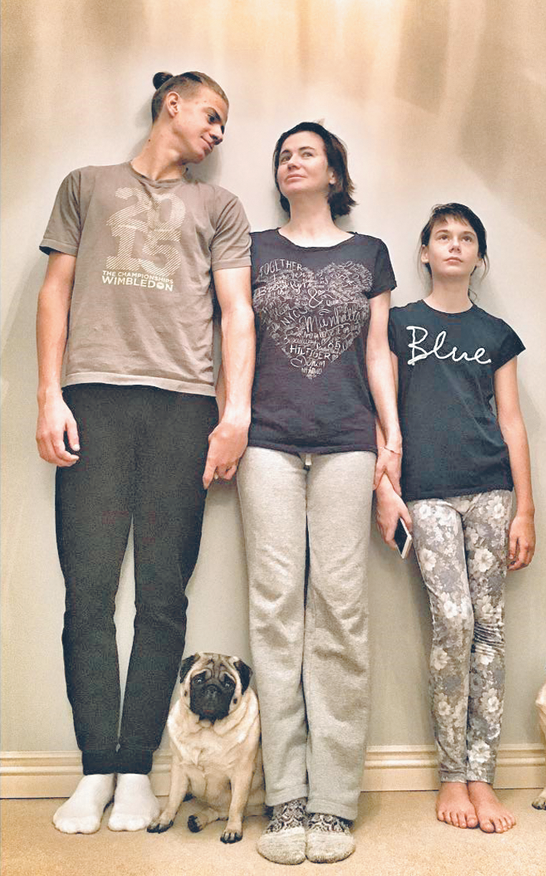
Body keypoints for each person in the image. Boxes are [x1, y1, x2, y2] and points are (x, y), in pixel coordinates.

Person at [35, 71, 254, 834]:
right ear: (173, 103)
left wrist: (234, 414)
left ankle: (136, 770)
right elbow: (55, 291)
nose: (219, 132)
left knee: (163, 596)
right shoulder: (86, 185)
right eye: (212, 115)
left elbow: (237, 313)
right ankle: (96, 768)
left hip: (184, 406)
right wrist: (49, 396)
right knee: (87, 594)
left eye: (225, 124)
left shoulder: (220, 206)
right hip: (93, 396)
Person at [235, 121, 401, 864]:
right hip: (266, 441)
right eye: (284, 155)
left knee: (340, 609)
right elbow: (235, 341)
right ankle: (286, 796)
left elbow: (378, 353)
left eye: (307, 153)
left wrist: (391, 440)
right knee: (275, 610)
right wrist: (230, 420)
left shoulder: (370, 254)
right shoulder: (251, 249)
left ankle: (333, 800)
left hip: (347, 442)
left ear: (335, 172)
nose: (292, 162)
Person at [376, 203, 535, 834]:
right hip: (427, 492)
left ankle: (481, 776)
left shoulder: (496, 333)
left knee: (490, 629)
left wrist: (526, 509)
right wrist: (385, 484)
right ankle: (450, 772)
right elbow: (383, 410)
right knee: (454, 619)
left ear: (479, 257)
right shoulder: (399, 324)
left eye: (466, 238)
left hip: (491, 490)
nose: (453, 245)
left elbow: (512, 422)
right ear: (424, 252)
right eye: (442, 236)